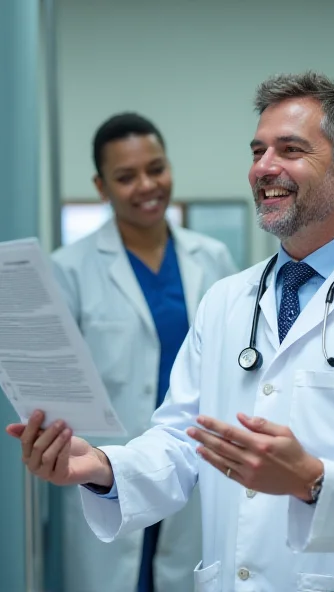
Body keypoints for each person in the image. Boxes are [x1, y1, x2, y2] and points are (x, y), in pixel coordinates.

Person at [9, 72, 334, 592]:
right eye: (258, 150)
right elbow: (181, 440)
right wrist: (101, 465)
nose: (264, 168)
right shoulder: (226, 302)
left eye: (290, 149)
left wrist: (313, 482)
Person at [49, 113, 238, 592]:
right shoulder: (68, 269)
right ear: (101, 186)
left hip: (192, 466)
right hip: (107, 470)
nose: (147, 186)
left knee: (186, 574)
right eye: (126, 176)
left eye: (156, 168)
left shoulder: (211, 257)